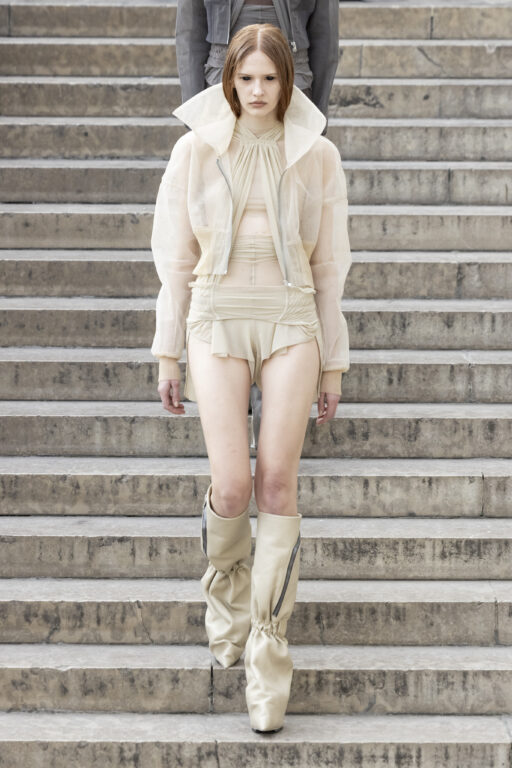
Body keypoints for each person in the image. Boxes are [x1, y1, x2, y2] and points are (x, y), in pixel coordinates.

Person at [151, 24, 351, 733]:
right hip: (216, 318)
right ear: (228, 80)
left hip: (292, 319)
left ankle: (268, 650)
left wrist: (334, 362)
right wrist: (167, 351)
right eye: (246, 79)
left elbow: (331, 266)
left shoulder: (318, 154)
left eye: (270, 78)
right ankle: (227, 588)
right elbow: (174, 258)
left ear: (287, 81)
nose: (258, 91)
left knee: (277, 485)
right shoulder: (195, 150)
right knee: (233, 485)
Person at [175, 0, 341, 443]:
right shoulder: (199, 144)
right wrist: (196, 116)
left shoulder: (313, 146)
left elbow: (326, 38)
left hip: (293, 78)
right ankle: (238, 400)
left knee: (284, 239)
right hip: (221, 76)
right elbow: (189, 31)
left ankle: (273, 414)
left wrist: (312, 122)